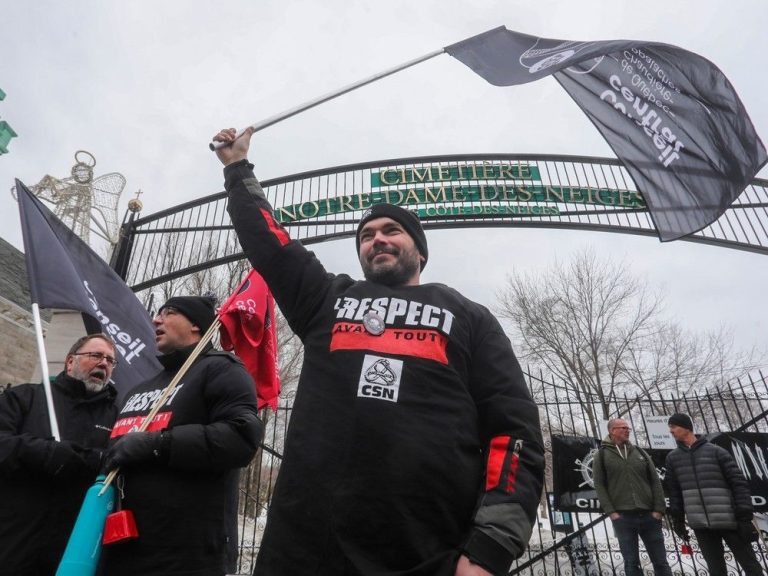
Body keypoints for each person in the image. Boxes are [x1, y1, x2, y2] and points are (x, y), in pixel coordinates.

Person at [214, 127, 545, 576]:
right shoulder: (327, 300)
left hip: (424, 553)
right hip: (303, 552)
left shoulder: (470, 317)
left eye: (392, 230)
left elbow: (514, 434)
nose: (378, 239)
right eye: (367, 235)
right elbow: (271, 243)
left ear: (420, 251)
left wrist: (490, 548)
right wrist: (237, 169)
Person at [100, 295, 263, 576]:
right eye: (157, 313)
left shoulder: (222, 369)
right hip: (122, 550)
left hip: (185, 557)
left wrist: (157, 445)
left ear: (196, 326)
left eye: (169, 312)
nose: (156, 319)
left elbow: (241, 437)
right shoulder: (139, 389)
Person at [0, 333, 119, 576]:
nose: (104, 363)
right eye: (95, 355)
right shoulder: (24, 397)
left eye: (110, 360)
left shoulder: (116, 417)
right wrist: (47, 453)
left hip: (72, 547)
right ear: (70, 361)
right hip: (12, 536)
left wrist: (85, 459)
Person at [665, 413, 764, 576]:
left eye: (673, 427)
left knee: (751, 566)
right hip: (701, 524)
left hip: (730, 520)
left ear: (687, 428)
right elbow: (674, 491)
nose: (671, 431)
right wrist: (678, 520)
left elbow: (738, 483)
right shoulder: (672, 458)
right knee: (716, 569)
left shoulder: (716, 451)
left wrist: (744, 515)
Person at [592, 418, 672, 576]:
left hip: (650, 516)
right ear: (612, 431)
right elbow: (599, 485)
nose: (627, 430)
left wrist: (658, 510)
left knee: (661, 563)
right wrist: (612, 512)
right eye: (622, 428)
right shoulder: (601, 456)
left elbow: (655, 481)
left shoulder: (640, 452)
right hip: (623, 518)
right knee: (631, 564)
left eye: (628, 428)